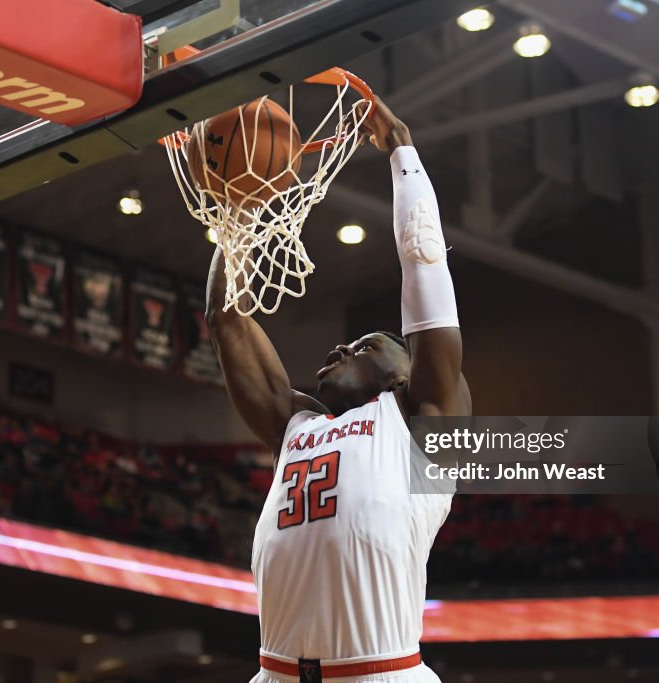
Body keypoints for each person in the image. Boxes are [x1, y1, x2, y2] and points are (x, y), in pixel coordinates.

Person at [205, 97, 469, 683]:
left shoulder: (422, 421)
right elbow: (226, 320)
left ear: (406, 370)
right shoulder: (295, 425)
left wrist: (403, 156)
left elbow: (425, 267)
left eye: (365, 345)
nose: (337, 351)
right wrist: (235, 214)